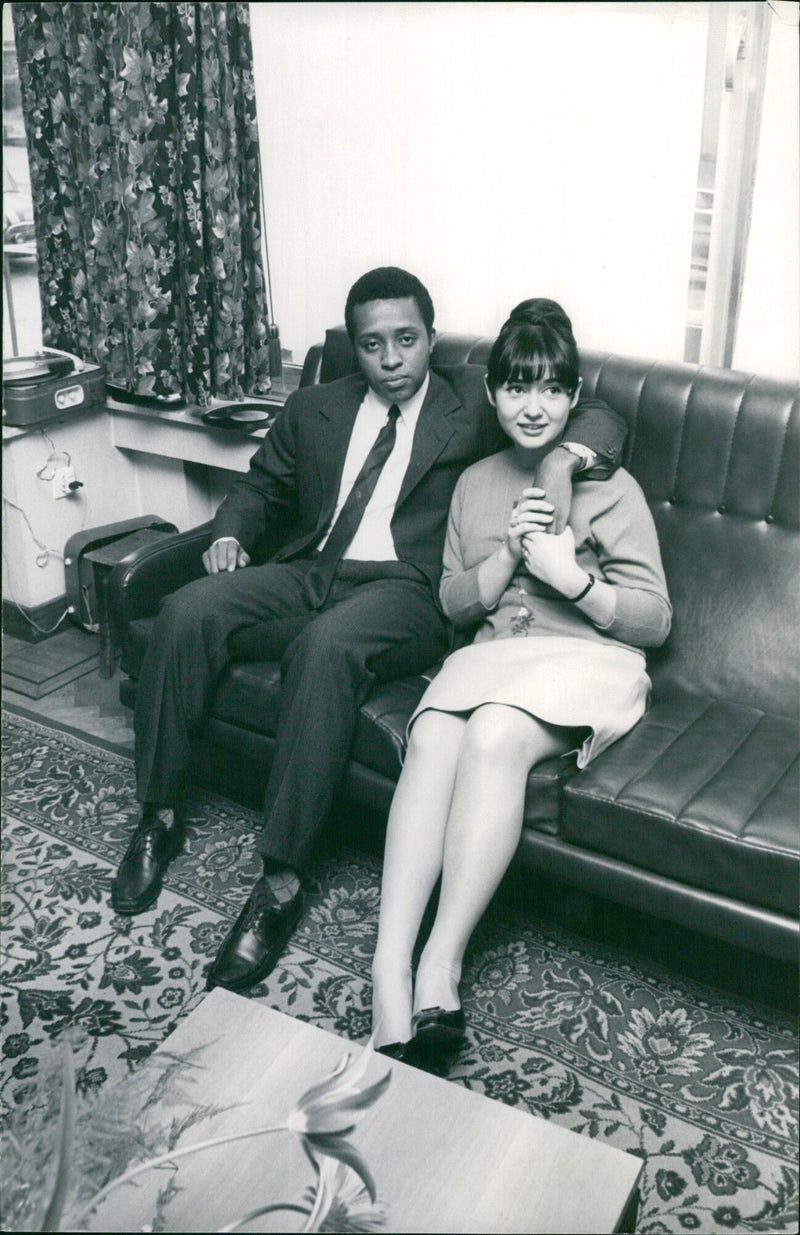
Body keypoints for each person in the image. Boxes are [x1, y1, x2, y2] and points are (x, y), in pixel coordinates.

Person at [110, 269, 628, 995]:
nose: (391, 359)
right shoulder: (315, 405)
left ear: (432, 339)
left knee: (326, 648)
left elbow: (601, 413)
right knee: (187, 609)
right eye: (374, 344)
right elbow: (259, 486)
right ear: (356, 347)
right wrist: (231, 533)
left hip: (405, 591)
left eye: (407, 341)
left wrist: (561, 458)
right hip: (312, 569)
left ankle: (281, 880)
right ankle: (158, 814)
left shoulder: (471, 406)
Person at [370, 299, 671, 1061]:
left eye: (550, 388)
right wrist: (504, 559)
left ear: (573, 398)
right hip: (492, 655)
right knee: (435, 727)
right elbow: (447, 600)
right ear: (494, 396)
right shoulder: (474, 483)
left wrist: (573, 581)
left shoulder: (613, 486)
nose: (532, 406)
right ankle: (386, 969)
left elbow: (655, 620)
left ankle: (441, 962)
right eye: (516, 387)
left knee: (497, 727)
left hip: (587, 661)